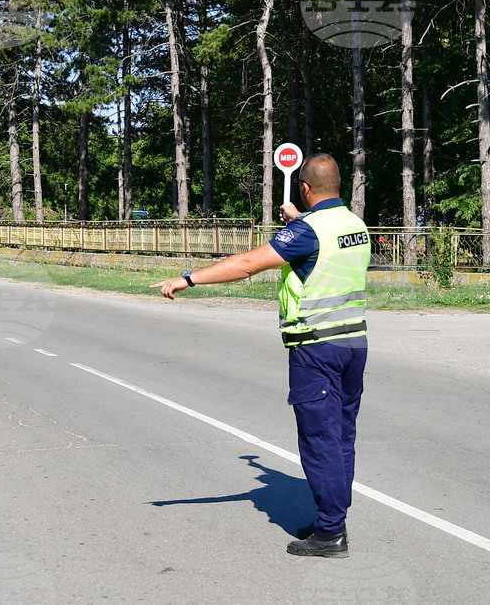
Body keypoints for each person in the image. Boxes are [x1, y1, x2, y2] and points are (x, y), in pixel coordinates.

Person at [151, 153, 370, 558]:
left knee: (320, 439)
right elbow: (318, 248)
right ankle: (332, 517)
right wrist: (298, 222)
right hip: (352, 344)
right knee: (341, 436)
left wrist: (187, 278)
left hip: (315, 346)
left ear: (305, 189)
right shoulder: (354, 225)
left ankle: (330, 533)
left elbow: (249, 264)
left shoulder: (308, 230)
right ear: (337, 186)